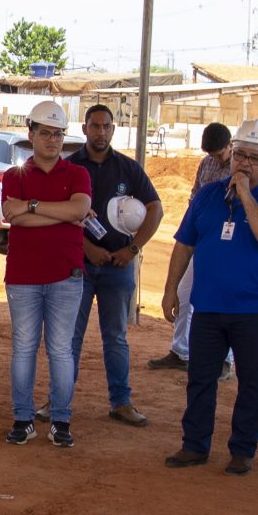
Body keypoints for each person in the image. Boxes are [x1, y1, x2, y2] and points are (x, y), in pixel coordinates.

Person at [162, 118, 258, 473]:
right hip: (207, 305)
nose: (244, 164)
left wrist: (246, 195)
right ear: (230, 155)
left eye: (254, 158)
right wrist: (171, 289)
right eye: (240, 156)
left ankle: (242, 450)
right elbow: (184, 243)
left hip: (255, 309)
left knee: (252, 381)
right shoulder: (207, 195)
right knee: (200, 379)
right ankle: (194, 445)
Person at [0, 98, 94, 446]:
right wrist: (62, 212)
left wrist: (33, 206)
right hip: (23, 276)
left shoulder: (78, 174)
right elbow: (13, 215)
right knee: (24, 349)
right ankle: (22, 418)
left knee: (60, 350)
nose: (52, 140)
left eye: (57, 134)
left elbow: (79, 209)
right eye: (45, 133)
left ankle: (61, 421)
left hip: (66, 276)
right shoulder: (14, 175)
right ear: (31, 134)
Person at [69, 102, 164, 428]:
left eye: (106, 126)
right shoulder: (69, 167)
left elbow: (155, 209)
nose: (101, 132)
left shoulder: (128, 169)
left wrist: (133, 249)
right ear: (84, 129)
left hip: (118, 267)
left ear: (113, 129)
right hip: (78, 267)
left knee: (116, 337)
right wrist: (87, 248)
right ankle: (59, 400)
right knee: (70, 337)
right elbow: (60, 217)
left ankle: (121, 402)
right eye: (94, 126)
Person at [154, 122, 235, 372]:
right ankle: (180, 351)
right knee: (184, 293)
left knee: (224, 298)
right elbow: (195, 195)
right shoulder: (206, 163)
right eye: (210, 154)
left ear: (230, 146)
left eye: (218, 154)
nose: (214, 158)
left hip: (225, 243)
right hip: (200, 236)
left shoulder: (239, 168)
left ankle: (225, 360)